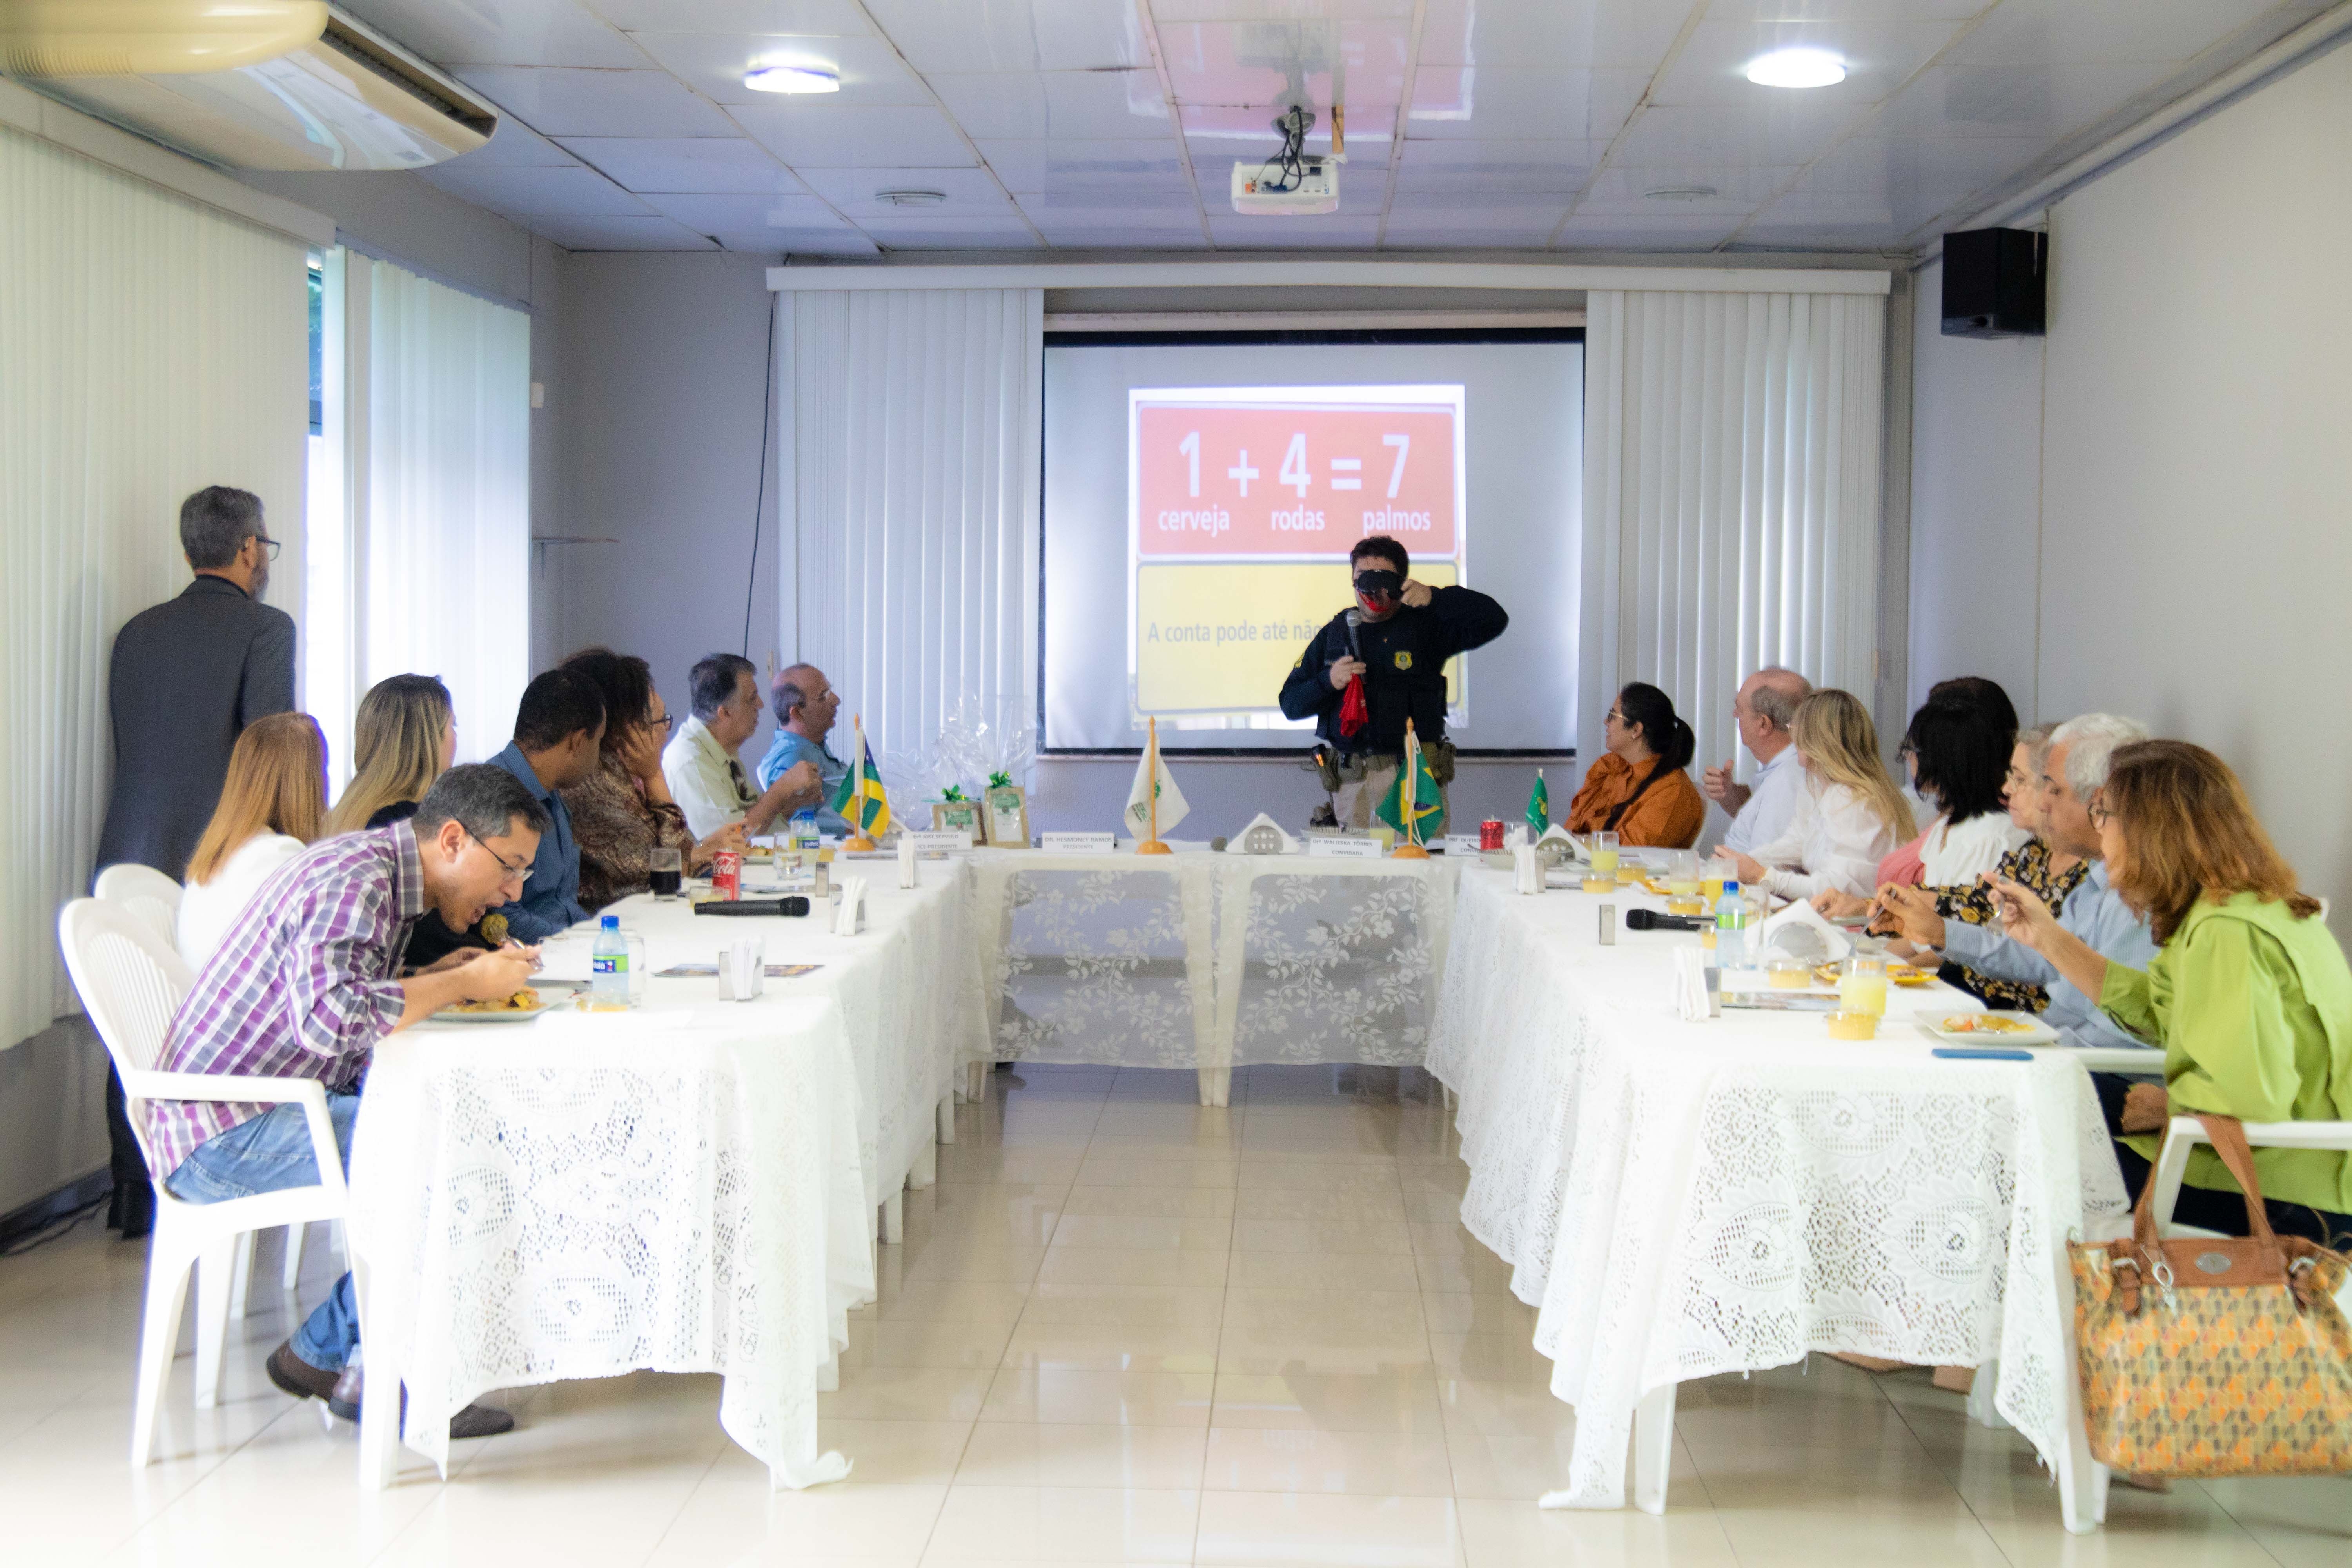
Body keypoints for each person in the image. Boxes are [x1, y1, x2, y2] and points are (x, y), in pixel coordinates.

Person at [154, 764, 548, 1436]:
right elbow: (330, 1021)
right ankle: (370, 1371)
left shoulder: (382, 875)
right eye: (510, 867)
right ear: (453, 840)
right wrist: (460, 986)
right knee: (458, 1151)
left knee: (461, 1135)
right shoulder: (354, 880)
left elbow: (343, 994)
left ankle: (329, 1352)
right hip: (223, 1132)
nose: (514, 890)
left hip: (260, 1109)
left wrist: (429, 976)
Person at [1989, 740, 2352, 1245]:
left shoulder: (2225, 932)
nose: (2099, 830)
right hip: (2270, 1164)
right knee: (2038, 1094)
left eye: (2104, 814)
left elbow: (2253, 1095)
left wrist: (2170, 1107)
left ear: (2151, 831)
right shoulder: (2240, 908)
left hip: (2273, 1191)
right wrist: (2048, 938)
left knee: (2013, 1152)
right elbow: (2159, 1009)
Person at [93, 485, 295, 1237]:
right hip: (220, 850)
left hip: (128, 846)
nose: (265, 559)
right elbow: (268, 749)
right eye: (265, 545)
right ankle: (220, 1167)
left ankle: (130, 1188)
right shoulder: (266, 628)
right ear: (247, 549)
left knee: (136, 1012)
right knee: (217, 1015)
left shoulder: (134, 633)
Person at [1873, 714, 2156, 1052]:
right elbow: (2038, 959)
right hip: (2053, 1043)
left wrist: (2023, 1048)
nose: (2043, 802)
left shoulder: (2142, 891)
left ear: (2099, 800)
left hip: (2087, 1064)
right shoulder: (2097, 875)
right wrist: (1940, 931)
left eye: (2053, 788)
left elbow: (2125, 1036)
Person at [1277, 535, 1508, 833]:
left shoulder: (1426, 625)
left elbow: (1494, 619)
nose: (1371, 588)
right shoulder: (1335, 633)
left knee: (1424, 862)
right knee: (1355, 865)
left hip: (1415, 780)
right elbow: (1291, 704)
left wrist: (1435, 597)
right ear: (1352, 579)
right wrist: (1328, 681)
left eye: (1382, 578)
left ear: (1400, 582)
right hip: (1354, 785)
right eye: (1362, 577)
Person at [1916, 722, 2087, 1011]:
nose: (2006, 790)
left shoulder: (2093, 874)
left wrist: (1938, 930)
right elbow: (1980, 904)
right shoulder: (2035, 850)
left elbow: (2044, 966)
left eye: (2020, 780)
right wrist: (1905, 905)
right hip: (1973, 993)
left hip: (2015, 1012)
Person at [560, 648, 742, 911]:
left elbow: (672, 859)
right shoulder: (596, 784)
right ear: (629, 731)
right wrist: (654, 773)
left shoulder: (622, 775)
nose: (666, 733)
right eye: (661, 721)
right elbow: (669, 871)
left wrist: (703, 849)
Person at [1818, 693, 2026, 913]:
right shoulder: (1945, 826)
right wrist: (1863, 909)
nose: (1909, 757)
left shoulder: (1994, 836)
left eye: (1914, 750)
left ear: (1943, 760)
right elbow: (1928, 915)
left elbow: (1964, 925)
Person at [1713, 688, 1912, 901]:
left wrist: (1762, 876)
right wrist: (1740, 863)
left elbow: (1835, 891)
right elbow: (1797, 841)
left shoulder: (1853, 800)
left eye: (1795, 729)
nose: (1793, 738)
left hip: (1856, 918)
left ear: (1818, 740)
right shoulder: (1818, 786)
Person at [176, 714, 328, 969]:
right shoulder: (276, 856)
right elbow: (323, 961)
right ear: (304, 787)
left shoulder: (224, 851)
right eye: (323, 771)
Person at [485, 668, 606, 941]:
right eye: (599, 741)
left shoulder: (551, 795)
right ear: (578, 742)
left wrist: (597, 934)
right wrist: (578, 942)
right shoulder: (496, 795)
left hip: (563, 948)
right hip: (531, 957)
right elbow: (501, 918)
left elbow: (563, 904)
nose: (598, 753)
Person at [663, 653, 822, 841]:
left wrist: (792, 803)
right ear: (725, 713)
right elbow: (729, 842)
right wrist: (781, 790)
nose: (761, 704)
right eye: (751, 698)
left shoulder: (722, 749)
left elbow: (751, 820)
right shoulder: (691, 762)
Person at [1565, 682, 1704, 848]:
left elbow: (1631, 852)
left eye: (1613, 715)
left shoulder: (1672, 790)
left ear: (1636, 730)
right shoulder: (1611, 766)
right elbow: (1578, 827)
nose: (1606, 721)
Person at [325, 675, 456, 835]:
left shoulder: (349, 808)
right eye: (453, 725)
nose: (455, 736)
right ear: (427, 739)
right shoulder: (409, 823)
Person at [1701, 668, 1812, 854]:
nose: (1735, 714)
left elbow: (1765, 866)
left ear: (1763, 724)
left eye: (1740, 709)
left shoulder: (1787, 781)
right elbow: (1757, 819)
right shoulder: (1785, 767)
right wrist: (1730, 795)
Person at [756, 663, 850, 837]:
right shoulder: (792, 756)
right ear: (798, 713)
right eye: (823, 696)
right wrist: (861, 830)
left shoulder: (812, 745)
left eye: (830, 691)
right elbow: (798, 830)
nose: (836, 700)